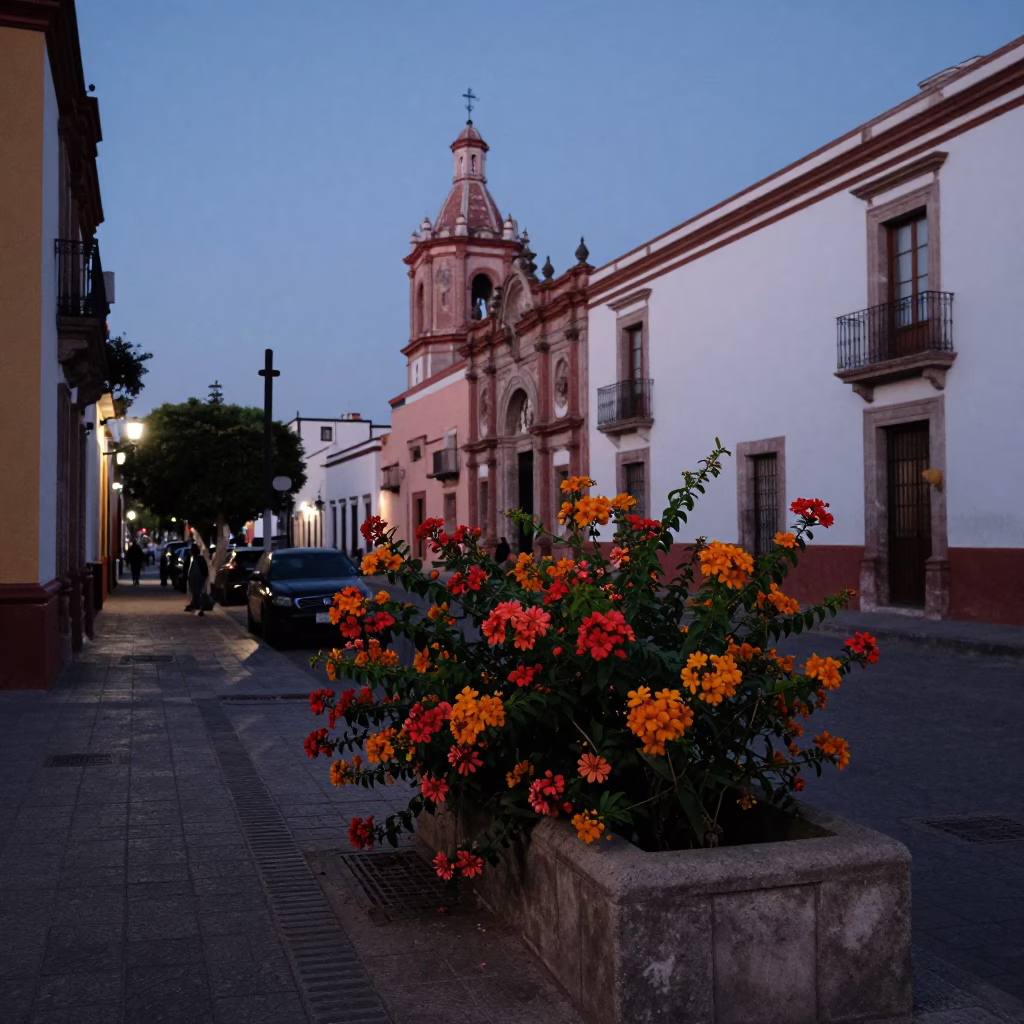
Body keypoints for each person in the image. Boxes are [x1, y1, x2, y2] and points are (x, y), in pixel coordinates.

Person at [185, 543, 209, 616]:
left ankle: (199, 607)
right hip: (196, 579)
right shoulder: (195, 559)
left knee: (198, 593)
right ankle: (196, 606)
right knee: (196, 593)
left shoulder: (198, 559)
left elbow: (203, 570)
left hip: (198, 579)